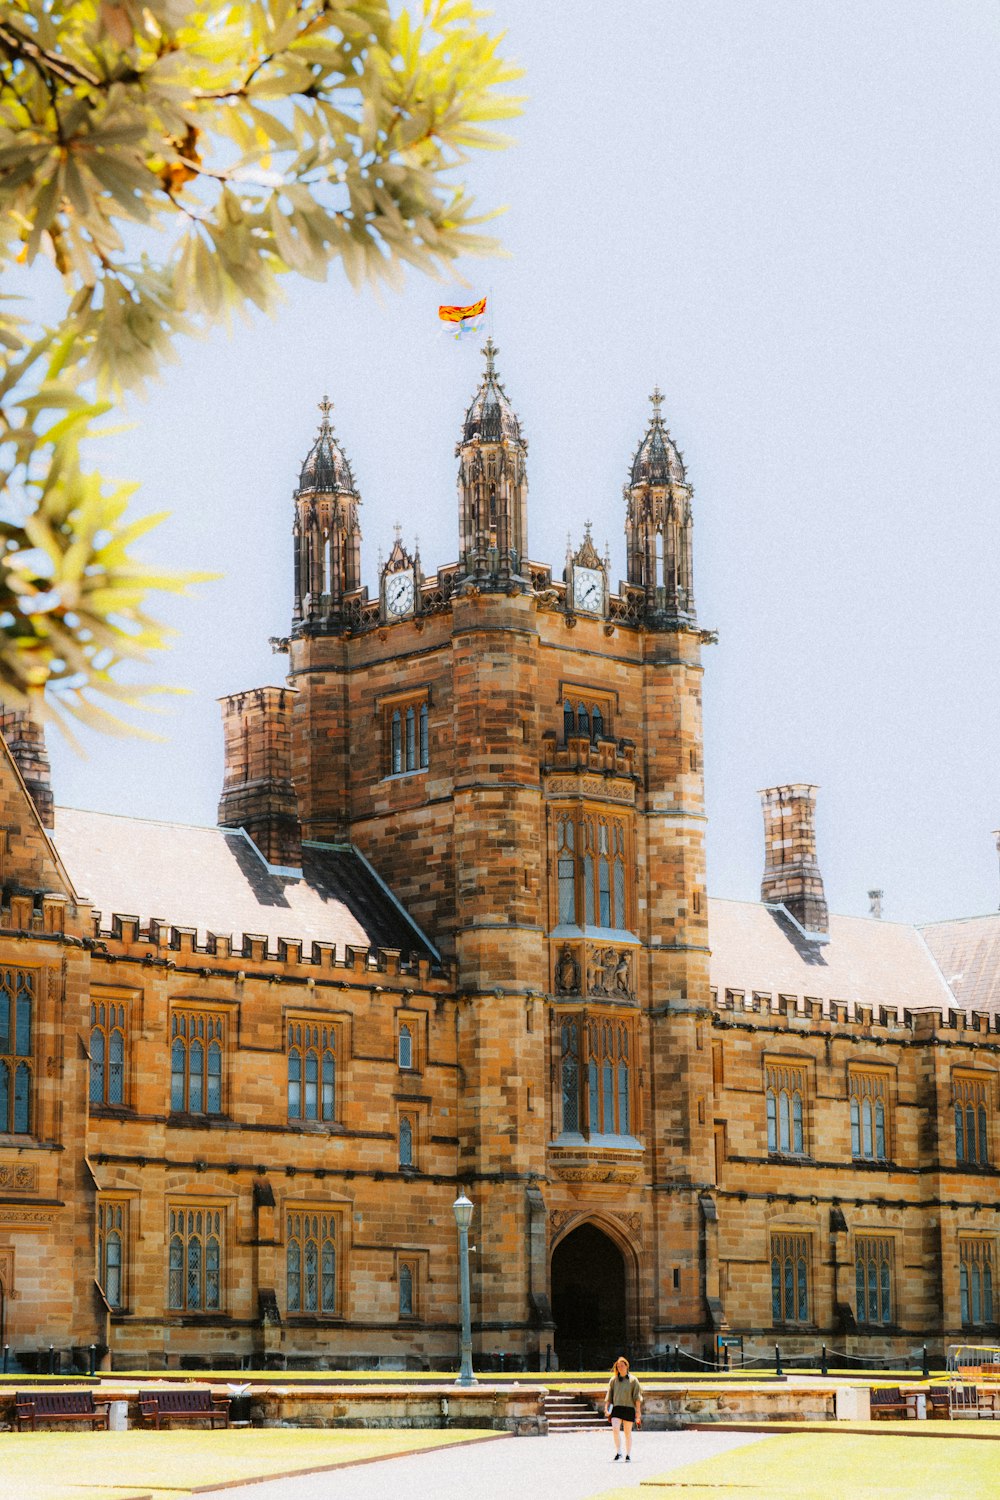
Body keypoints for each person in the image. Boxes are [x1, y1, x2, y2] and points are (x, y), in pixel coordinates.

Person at [605, 1355, 642, 1461]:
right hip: (616, 1408)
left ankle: (628, 1454)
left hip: (629, 1408)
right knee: (615, 1429)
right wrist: (606, 1408)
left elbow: (637, 1397)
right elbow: (609, 1396)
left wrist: (638, 1411)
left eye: (622, 1366)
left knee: (627, 1433)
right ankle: (618, 1452)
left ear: (626, 1366)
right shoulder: (613, 1380)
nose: (620, 1368)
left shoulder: (633, 1380)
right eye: (618, 1366)